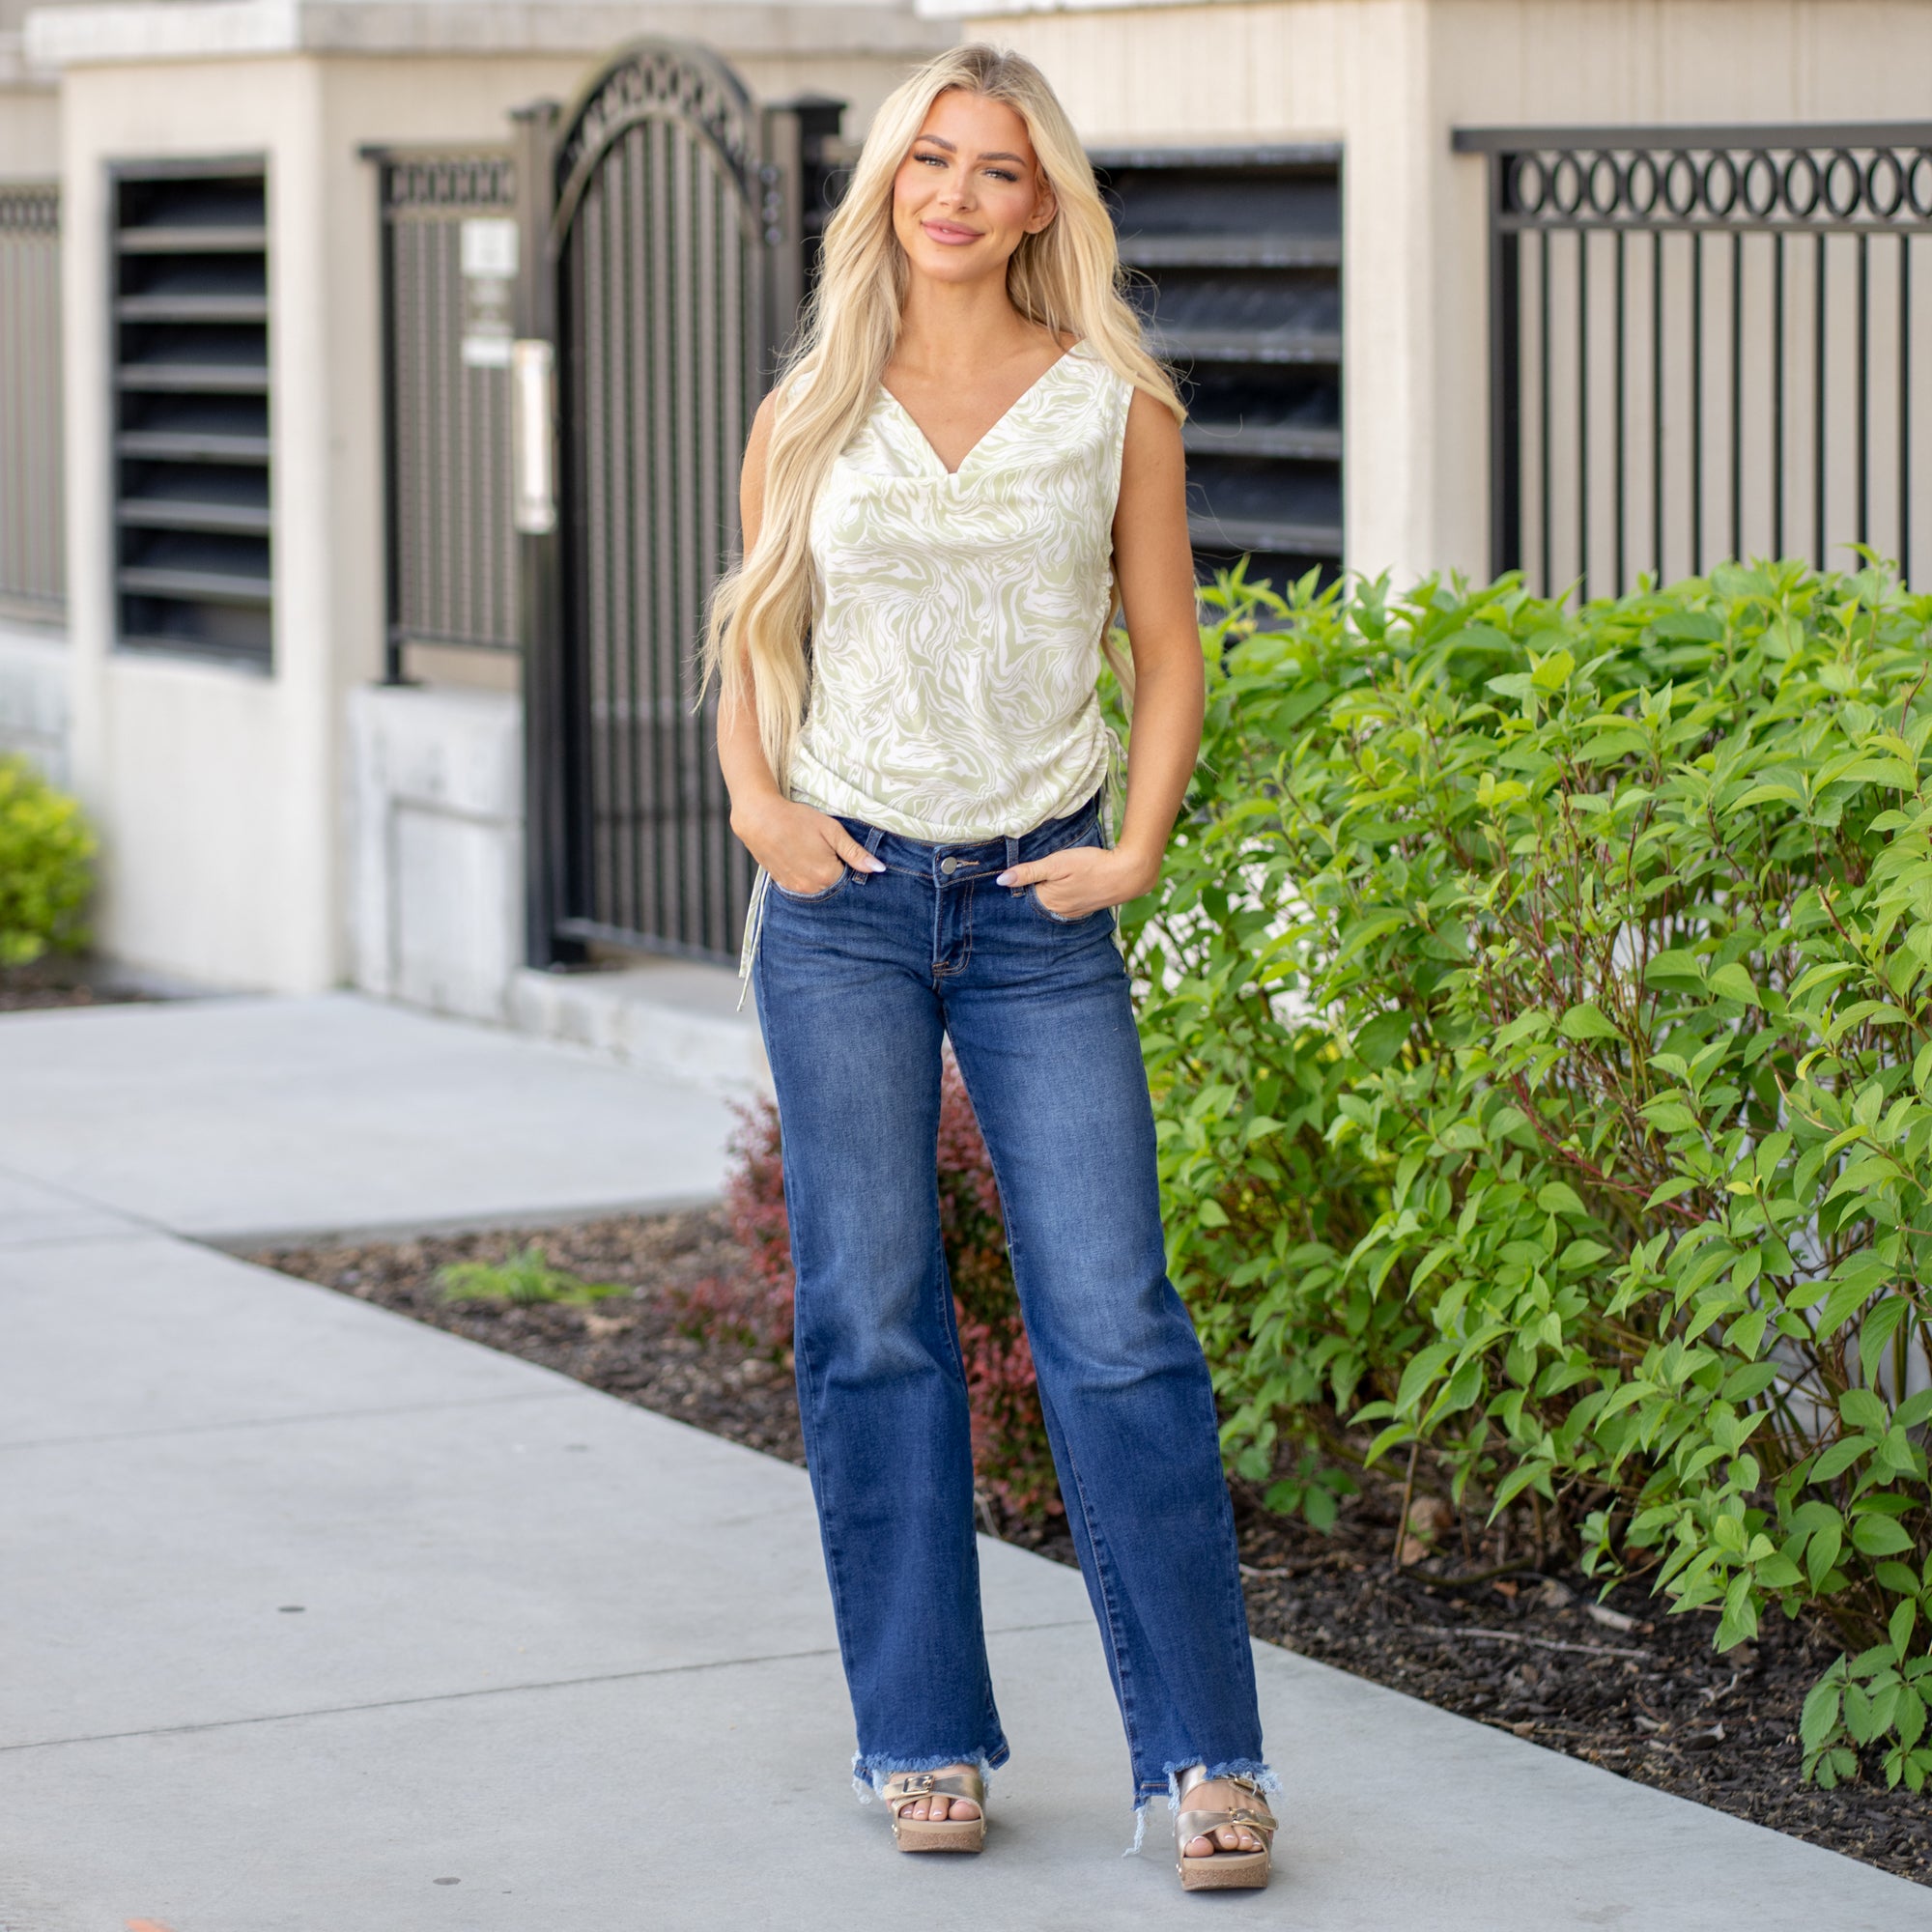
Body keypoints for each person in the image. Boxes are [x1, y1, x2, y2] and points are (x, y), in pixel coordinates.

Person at [704, 42, 1276, 1891]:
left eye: (997, 169)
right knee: (871, 1325)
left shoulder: (1112, 404)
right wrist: (759, 810)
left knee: (1116, 1323)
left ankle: (1204, 1758)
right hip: (844, 902)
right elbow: (756, 639)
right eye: (930, 159)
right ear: (890, 180)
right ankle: (921, 1737)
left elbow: (1170, 650)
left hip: (1042, 909)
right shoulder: (808, 407)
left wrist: (1138, 846)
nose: (955, 194)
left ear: (1043, 205)